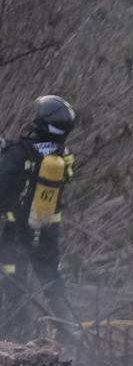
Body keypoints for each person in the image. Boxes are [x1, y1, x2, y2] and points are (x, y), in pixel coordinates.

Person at [0, 95, 76, 341]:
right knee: (50, 275)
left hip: (18, 227)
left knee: (14, 274)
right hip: (47, 228)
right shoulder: (62, 156)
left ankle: (18, 331)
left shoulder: (19, 152)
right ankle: (69, 331)